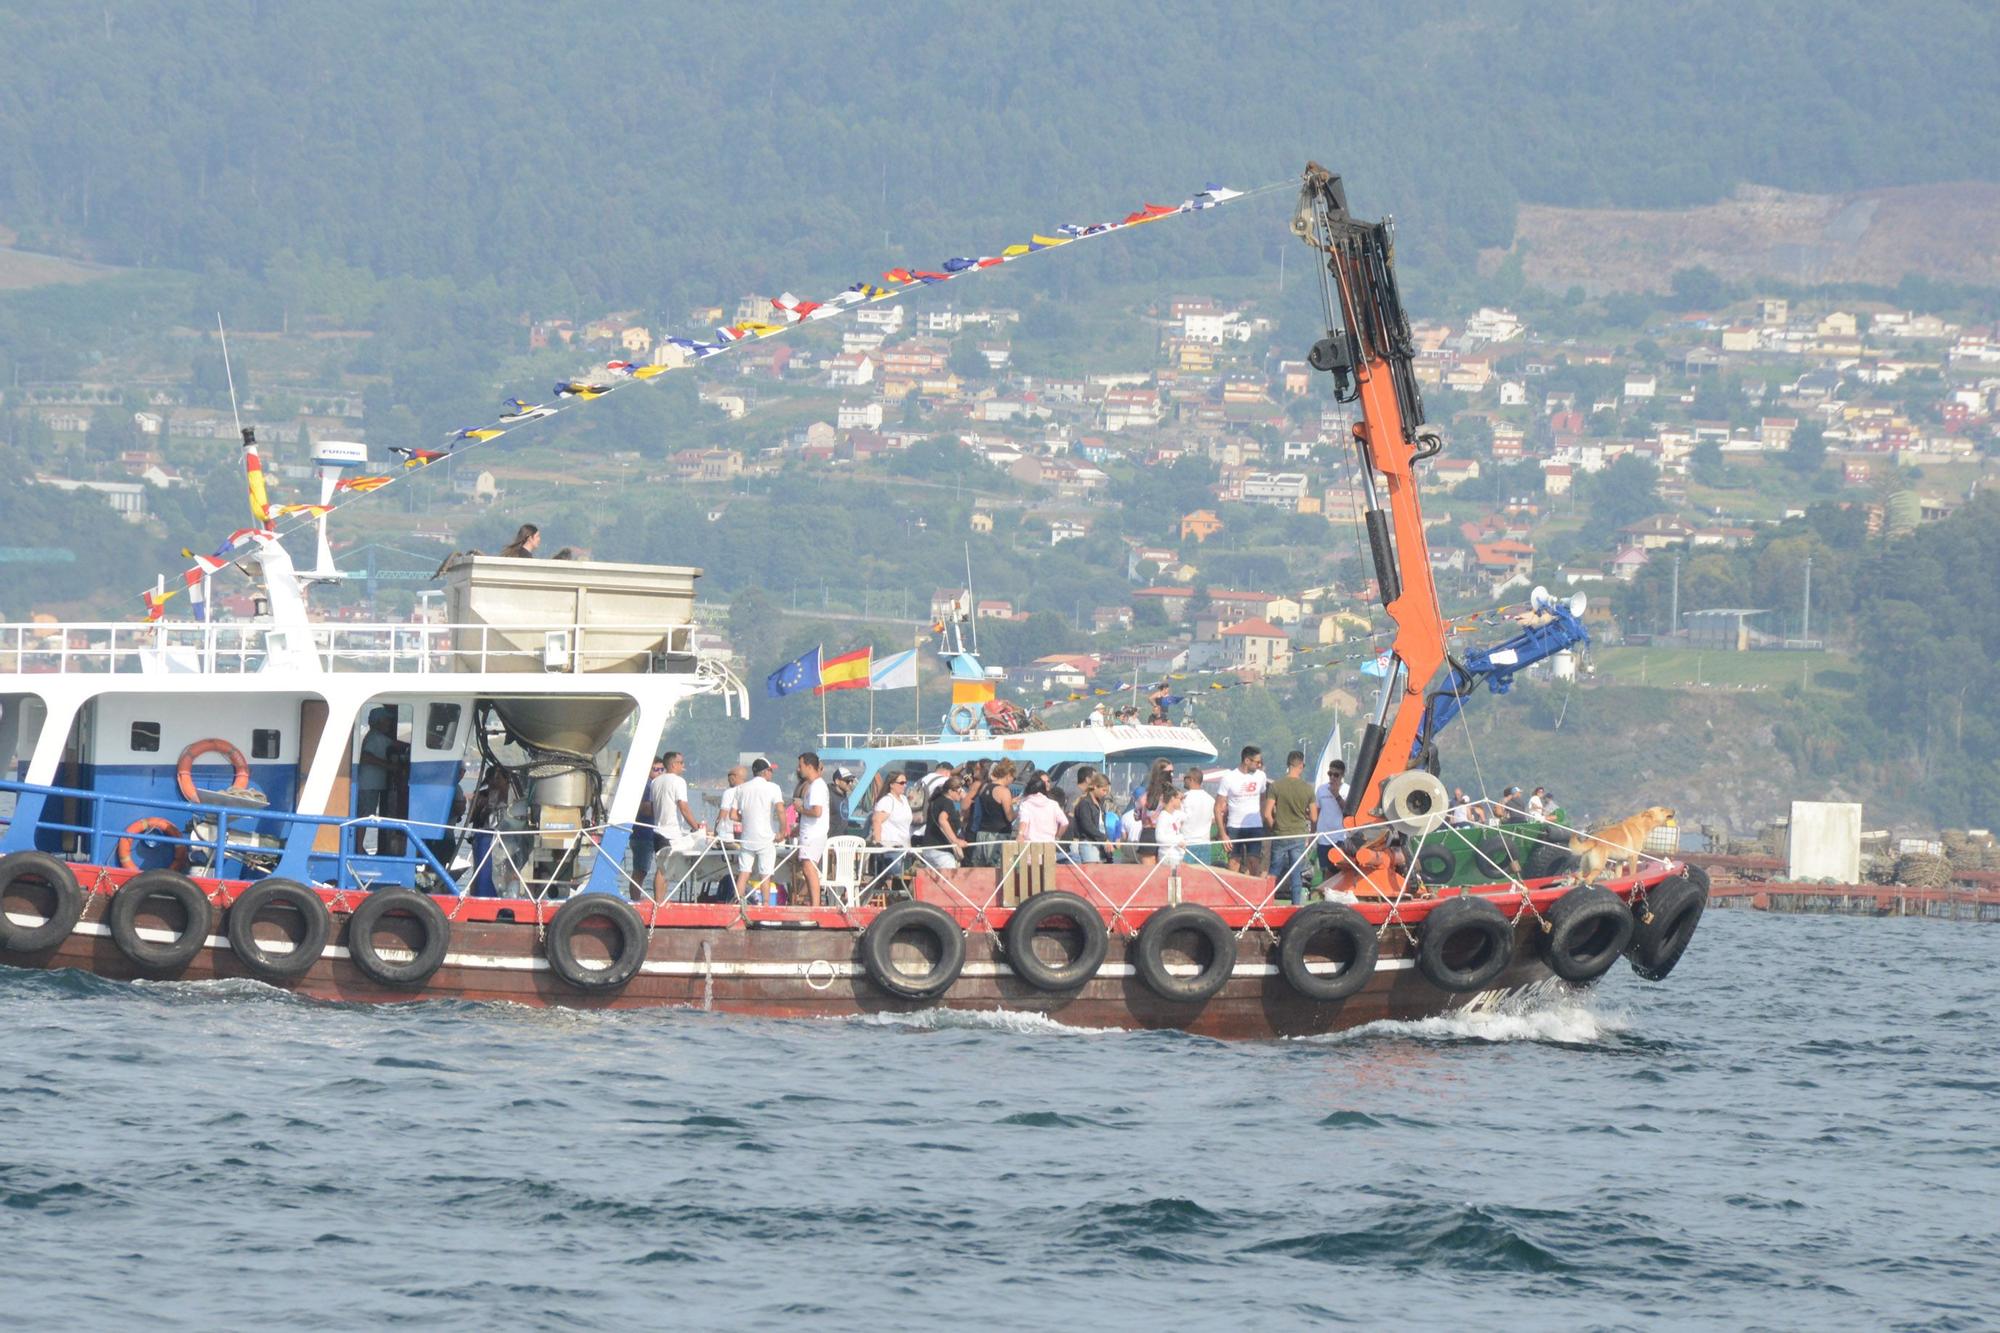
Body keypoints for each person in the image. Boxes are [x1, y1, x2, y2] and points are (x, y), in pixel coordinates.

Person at [648, 751, 704, 899]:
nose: (683, 766)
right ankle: (658, 903)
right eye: (681, 763)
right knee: (663, 869)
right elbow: (683, 807)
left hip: (657, 830)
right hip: (669, 832)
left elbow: (653, 808)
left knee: (664, 868)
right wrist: (696, 827)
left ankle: (660, 901)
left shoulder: (655, 782)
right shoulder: (678, 781)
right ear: (673, 764)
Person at [1211, 745, 1271, 875]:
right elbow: (1217, 807)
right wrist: (1223, 834)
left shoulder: (1261, 776)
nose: (1260, 765)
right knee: (1234, 862)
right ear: (1247, 760)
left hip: (1255, 826)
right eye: (1257, 762)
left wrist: (1261, 819)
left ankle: (1255, 893)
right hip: (1235, 826)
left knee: (1253, 861)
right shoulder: (1229, 777)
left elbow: (1263, 799)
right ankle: (1232, 893)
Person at [733, 759, 787, 903]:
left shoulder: (741, 788)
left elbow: (733, 815)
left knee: (744, 872)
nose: (772, 773)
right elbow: (781, 810)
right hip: (765, 838)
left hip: (747, 838)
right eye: (771, 770)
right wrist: (783, 830)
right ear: (764, 772)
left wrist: (747, 819)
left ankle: (738, 903)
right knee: (766, 875)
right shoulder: (773, 788)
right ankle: (765, 906)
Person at [1268, 749, 1318, 904]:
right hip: (1298, 835)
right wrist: (1311, 835)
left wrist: (1274, 828)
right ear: (1301, 765)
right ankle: (1296, 905)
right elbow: (1314, 817)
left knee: (1273, 872)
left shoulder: (1276, 786)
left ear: (1288, 764)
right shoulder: (1307, 788)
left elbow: (1266, 813)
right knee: (1296, 873)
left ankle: (1267, 902)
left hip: (1280, 834)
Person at [354, 706, 397, 855]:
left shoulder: (376, 737)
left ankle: (359, 847)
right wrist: (390, 766)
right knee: (364, 817)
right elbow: (366, 756)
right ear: (378, 721)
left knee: (365, 816)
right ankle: (358, 849)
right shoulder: (376, 737)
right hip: (368, 785)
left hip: (372, 785)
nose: (389, 723)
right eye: (386, 720)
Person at [791, 752, 829, 907]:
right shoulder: (814, 786)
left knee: (808, 868)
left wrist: (800, 809)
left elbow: (816, 812)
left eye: (800, 766)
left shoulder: (817, 786)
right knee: (806, 868)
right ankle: (812, 902)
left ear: (809, 766)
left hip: (814, 834)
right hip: (810, 833)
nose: (798, 769)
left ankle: (815, 905)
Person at [467, 767, 512, 898]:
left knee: (504, 872)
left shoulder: (513, 796)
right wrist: (486, 805)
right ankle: (478, 895)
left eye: (499, 779)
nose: (495, 783)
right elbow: (471, 818)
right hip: (485, 839)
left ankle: (503, 895)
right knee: (481, 872)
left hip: (506, 840)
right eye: (493, 779)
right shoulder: (482, 795)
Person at [868, 770, 916, 885]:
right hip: (891, 849)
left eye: (905, 782)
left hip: (904, 848)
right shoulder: (887, 801)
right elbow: (876, 820)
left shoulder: (904, 800)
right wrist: (878, 843)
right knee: (895, 881)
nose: (904, 785)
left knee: (905, 881)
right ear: (891, 784)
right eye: (901, 783)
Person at [917, 777, 971, 869]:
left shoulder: (936, 801)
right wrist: (956, 840)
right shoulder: (947, 803)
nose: (961, 793)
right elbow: (942, 820)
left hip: (929, 847)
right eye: (959, 791)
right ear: (950, 791)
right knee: (949, 879)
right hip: (941, 850)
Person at [971, 759, 1017, 865]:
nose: (1012, 781)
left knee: (982, 870)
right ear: (1008, 775)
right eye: (1013, 778)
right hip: (998, 835)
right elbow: (1009, 816)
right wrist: (1019, 811)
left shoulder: (985, 787)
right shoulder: (1004, 791)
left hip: (982, 834)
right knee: (998, 869)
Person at [630, 755, 665, 891]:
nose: (660, 772)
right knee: (640, 871)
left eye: (662, 769)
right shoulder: (647, 786)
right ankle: (635, 899)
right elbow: (645, 809)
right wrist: (662, 807)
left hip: (651, 834)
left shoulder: (654, 785)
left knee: (658, 869)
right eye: (656, 769)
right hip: (642, 834)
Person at [714, 764, 747, 897]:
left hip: (727, 836)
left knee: (731, 868)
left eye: (730, 776)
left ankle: (734, 895)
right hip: (745, 837)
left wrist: (715, 830)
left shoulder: (729, 792)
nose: (728, 779)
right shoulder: (749, 791)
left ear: (735, 778)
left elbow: (723, 814)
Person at [1315, 759, 1348, 883]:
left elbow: (1348, 812)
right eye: (1330, 774)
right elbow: (1317, 811)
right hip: (1323, 836)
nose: (1332, 777)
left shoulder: (1347, 789)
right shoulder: (1321, 789)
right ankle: (1325, 896)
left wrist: (1337, 795)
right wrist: (1314, 833)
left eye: (1336, 775)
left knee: (1339, 869)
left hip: (1340, 836)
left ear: (1342, 775)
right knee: (1325, 869)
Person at [1068, 774, 1112, 863]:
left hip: (1100, 844)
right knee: (1091, 874)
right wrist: (1104, 839)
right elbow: (1087, 825)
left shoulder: (1100, 803)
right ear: (1095, 787)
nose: (1105, 793)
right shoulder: (1085, 803)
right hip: (1089, 844)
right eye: (1104, 790)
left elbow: (1101, 825)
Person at [1014, 772, 1069, 844]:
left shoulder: (1026, 804)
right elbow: (1065, 822)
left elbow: (1024, 820)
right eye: (1043, 782)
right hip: (1049, 845)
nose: (1046, 784)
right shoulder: (1053, 804)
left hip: (1030, 846)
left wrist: (1020, 834)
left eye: (1048, 781)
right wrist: (1057, 837)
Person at [1179, 767, 1219, 867]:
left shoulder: (1184, 798)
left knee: (1185, 876)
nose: (1183, 780)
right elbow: (1214, 820)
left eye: (1185, 778)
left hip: (1187, 843)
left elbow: (1179, 820)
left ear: (1191, 779)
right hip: (1205, 843)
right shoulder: (1210, 799)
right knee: (1203, 876)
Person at [1155, 786, 1189, 865]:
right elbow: (1159, 838)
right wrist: (1177, 841)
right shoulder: (1163, 816)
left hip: (1177, 857)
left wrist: (1183, 801)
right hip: (1168, 857)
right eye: (1179, 799)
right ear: (1172, 799)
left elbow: (1186, 817)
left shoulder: (1175, 814)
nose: (1181, 801)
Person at [828, 767, 856, 836]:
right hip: (831, 839)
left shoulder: (844, 796)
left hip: (842, 839)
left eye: (851, 781)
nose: (850, 784)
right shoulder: (829, 795)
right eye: (847, 781)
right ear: (837, 781)